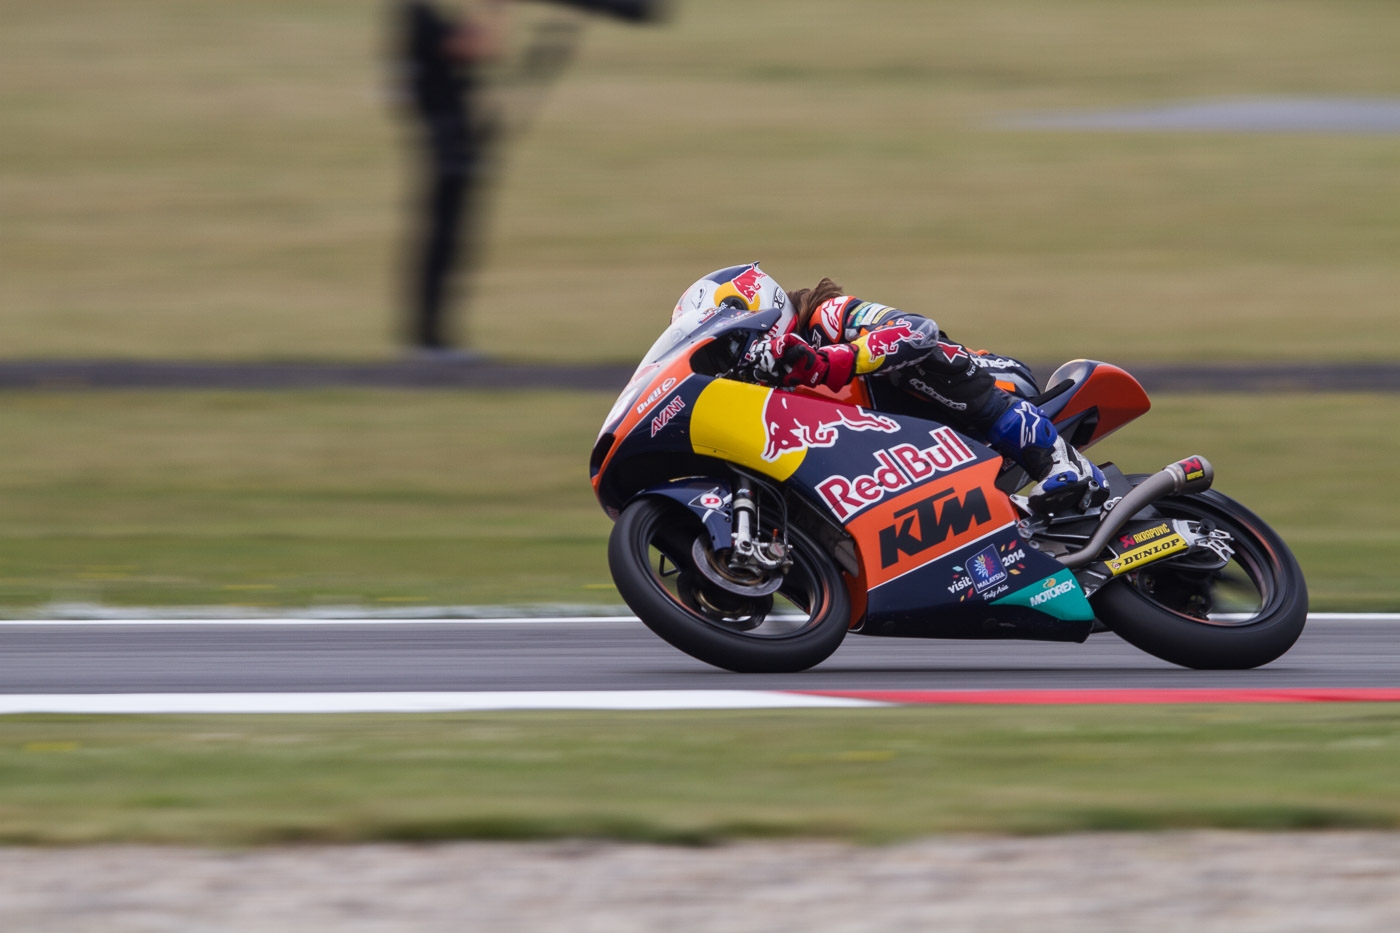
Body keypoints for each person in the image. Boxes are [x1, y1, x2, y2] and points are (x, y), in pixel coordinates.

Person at [673, 264, 1107, 515]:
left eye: (729, 347)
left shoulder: (826, 317)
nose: (729, 364)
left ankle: (1061, 463)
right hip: (923, 452)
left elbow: (918, 331)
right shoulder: (769, 391)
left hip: (993, 383)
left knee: (904, 366)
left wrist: (829, 361)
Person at [393, 1, 506, 357]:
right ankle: (429, 341)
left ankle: (431, 338)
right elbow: (476, 49)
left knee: (446, 243)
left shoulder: (420, 16)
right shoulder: (423, 17)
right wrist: (495, 12)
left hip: (448, 147)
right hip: (448, 150)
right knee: (443, 244)